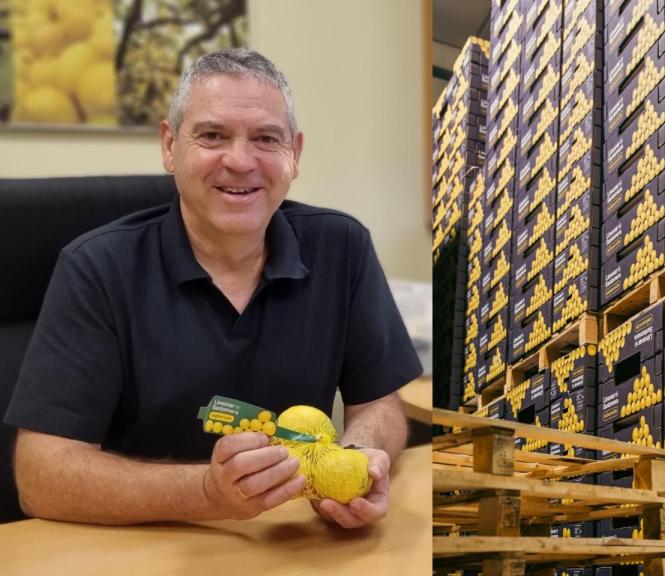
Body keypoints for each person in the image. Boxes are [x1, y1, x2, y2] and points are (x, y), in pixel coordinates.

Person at [3, 48, 422, 527]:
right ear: (169, 145)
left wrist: (358, 459)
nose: (240, 161)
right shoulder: (95, 267)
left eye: (266, 138)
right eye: (212, 135)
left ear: (295, 155)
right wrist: (204, 493)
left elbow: (379, 403)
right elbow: (40, 475)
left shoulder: (342, 246)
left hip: (295, 544)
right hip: (142, 547)